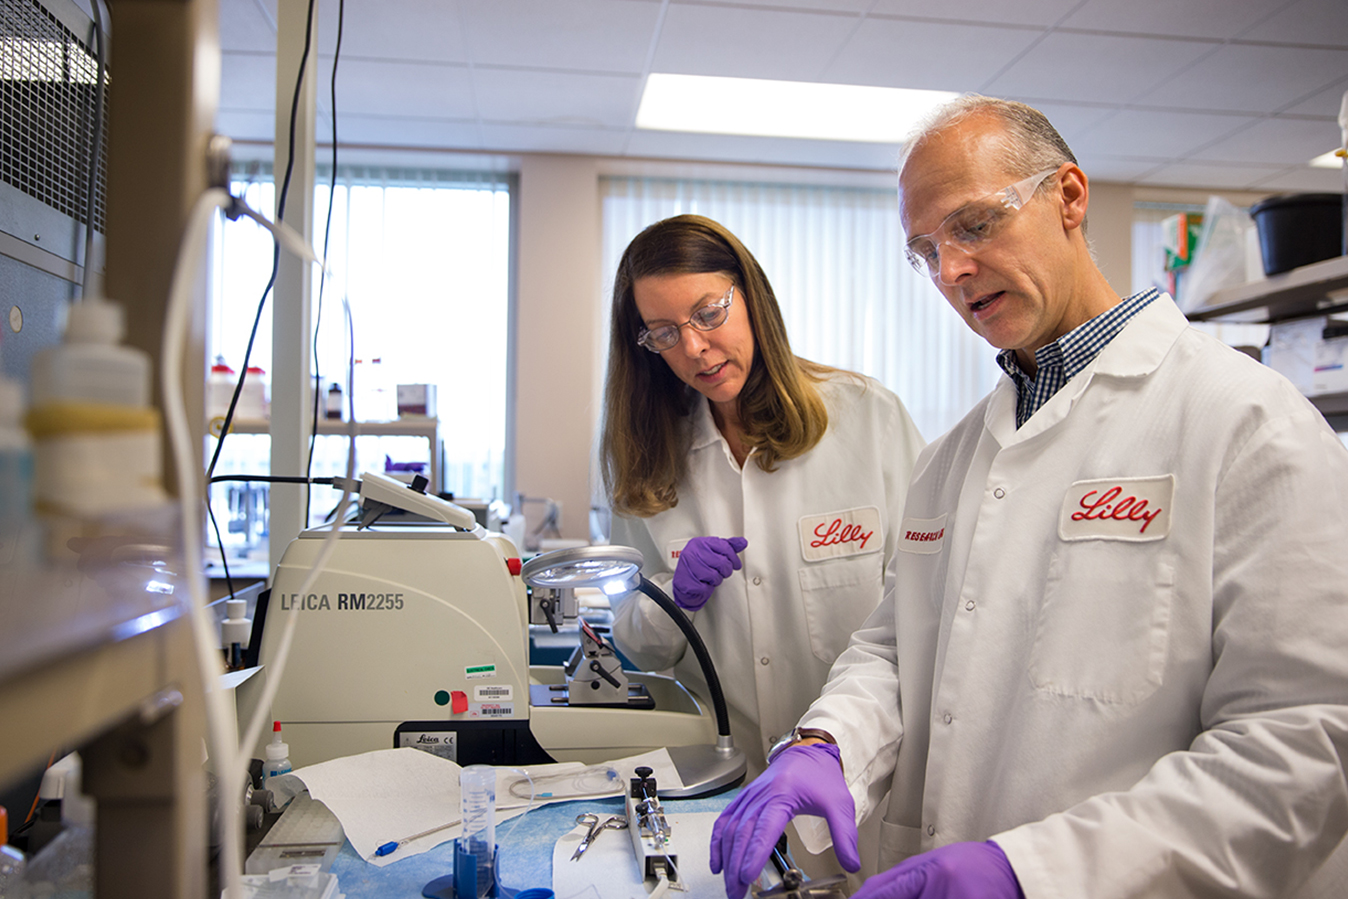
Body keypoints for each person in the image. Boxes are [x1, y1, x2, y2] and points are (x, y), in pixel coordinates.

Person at [710, 95, 1348, 899]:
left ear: (1070, 197)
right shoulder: (950, 458)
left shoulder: (1247, 422)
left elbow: (1305, 741)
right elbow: (896, 650)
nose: (949, 272)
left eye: (973, 225)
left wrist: (1035, 872)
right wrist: (826, 743)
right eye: (924, 250)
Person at [601, 214, 925, 787]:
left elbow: (926, 607)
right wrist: (670, 596)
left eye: (708, 313)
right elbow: (636, 645)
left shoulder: (868, 419)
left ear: (751, 297)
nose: (695, 348)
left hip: (862, 778)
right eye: (665, 333)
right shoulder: (645, 458)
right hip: (725, 780)